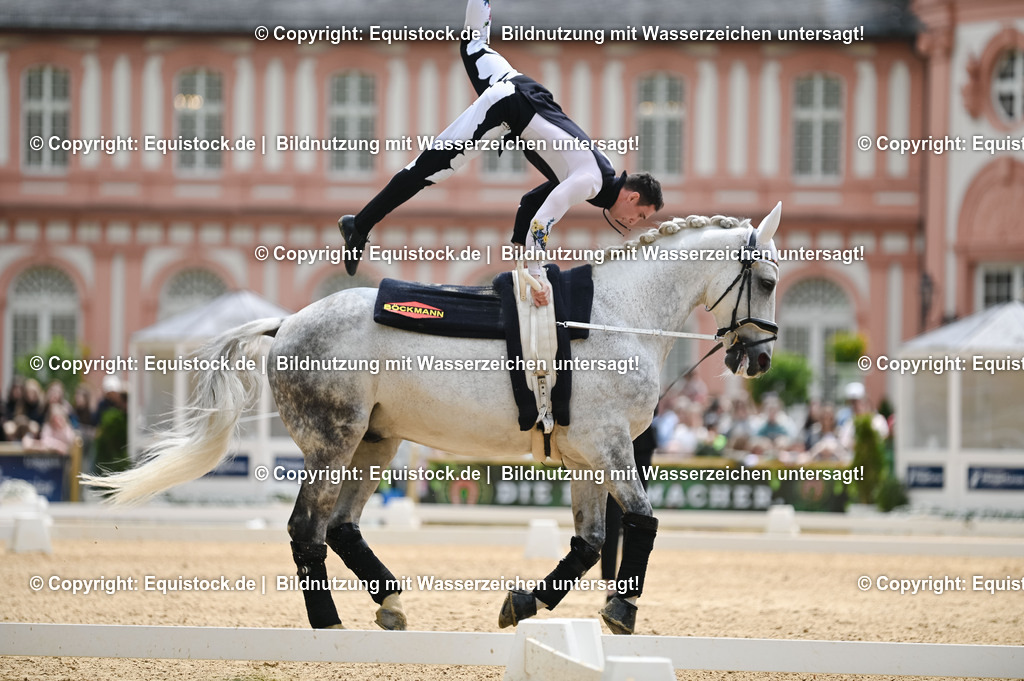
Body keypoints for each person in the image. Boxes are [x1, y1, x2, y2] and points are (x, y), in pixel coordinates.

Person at [338, 0, 664, 305]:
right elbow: (542, 221)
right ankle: (360, 225)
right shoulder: (590, 181)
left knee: (473, 43)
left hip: (519, 86)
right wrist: (536, 278)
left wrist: (520, 254)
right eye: (641, 215)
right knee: (430, 170)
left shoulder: (599, 168)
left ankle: (359, 225)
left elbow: (530, 202)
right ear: (632, 197)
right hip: (507, 105)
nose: (634, 223)